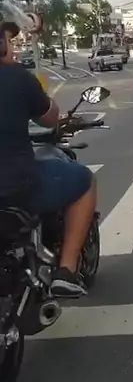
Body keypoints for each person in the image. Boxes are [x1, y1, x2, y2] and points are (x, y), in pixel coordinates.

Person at [0, 22, 96, 297]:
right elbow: (50, 117)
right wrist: (44, 98)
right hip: (16, 188)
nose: (13, 48)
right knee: (85, 180)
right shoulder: (17, 76)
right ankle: (67, 270)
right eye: (9, 41)